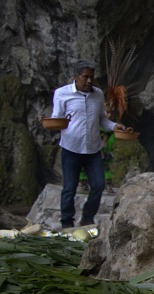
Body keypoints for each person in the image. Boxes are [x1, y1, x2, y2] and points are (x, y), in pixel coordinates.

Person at [51, 60, 126, 228]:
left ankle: (87, 218)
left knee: (99, 184)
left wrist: (115, 126)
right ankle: (67, 223)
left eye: (92, 77)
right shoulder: (62, 94)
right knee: (69, 188)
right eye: (86, 77)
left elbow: (101, 119)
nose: (90, 81)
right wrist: (53, 123)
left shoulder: (98, 94)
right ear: (76, 77)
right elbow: (57, 119)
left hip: (93, 149)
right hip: (71, 148)